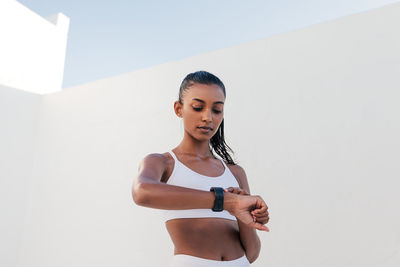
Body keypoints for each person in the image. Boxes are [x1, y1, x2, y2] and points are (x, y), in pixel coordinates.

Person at [132, 70, 270, 267]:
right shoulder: (163, 163)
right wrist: (227, 202)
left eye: (216, 110)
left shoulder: (235, 173)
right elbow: (141, 192)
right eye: (197, 107)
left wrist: (245, 216)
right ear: (179, 109)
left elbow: (252, 253)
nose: (208, 117)